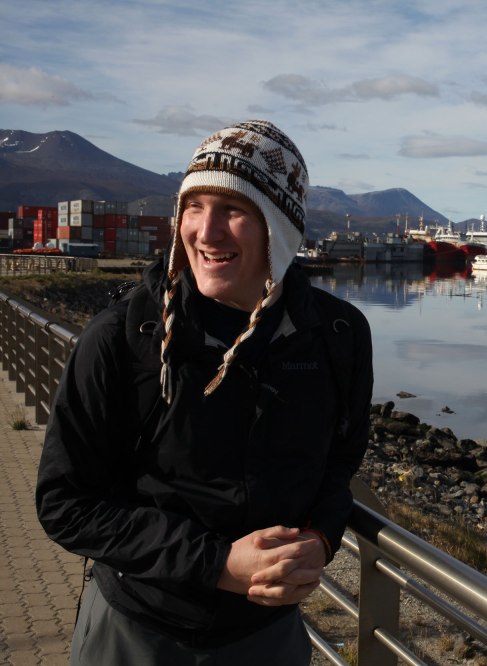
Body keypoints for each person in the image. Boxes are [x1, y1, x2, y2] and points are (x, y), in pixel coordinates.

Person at [35, 119, 373, 664]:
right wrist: (216, 564)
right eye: (193, 207)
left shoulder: (338, 337)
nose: (206, 232)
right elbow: (65, 503)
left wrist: (321, 539)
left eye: (233, 209)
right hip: (138, 628)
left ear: (279, 229)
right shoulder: (125, 338)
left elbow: (339, 461)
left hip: (266, 637)